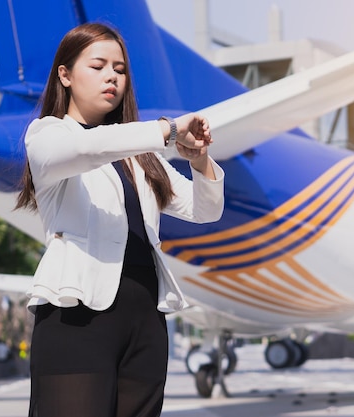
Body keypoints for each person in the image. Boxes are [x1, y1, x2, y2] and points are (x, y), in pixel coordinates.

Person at [15, 22, 225, 417]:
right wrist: (167, 128)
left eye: (120, 69)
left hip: (145, 317)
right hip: (76, 315)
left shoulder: (141, 156)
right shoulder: (47, 135)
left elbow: (204, 209)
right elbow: (86, 148)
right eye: (98, 66)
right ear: (65, 75)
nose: (112, 75)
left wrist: (199, 160)